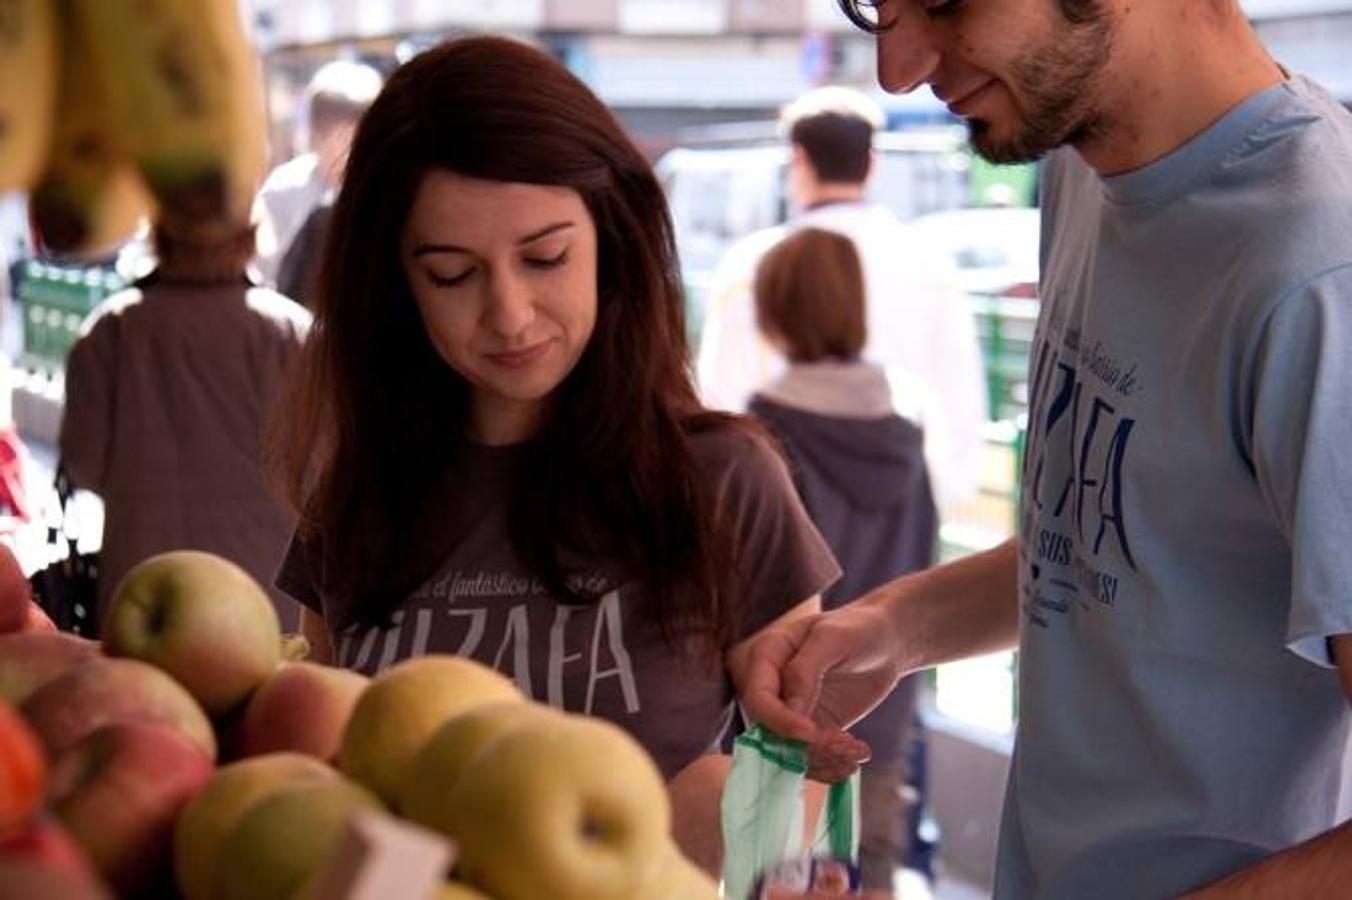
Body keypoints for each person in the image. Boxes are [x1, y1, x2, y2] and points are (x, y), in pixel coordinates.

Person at [740, 1, 1352, 898]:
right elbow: (1139, 542)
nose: (897, 68)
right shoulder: (1080, 160)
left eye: (943, 2)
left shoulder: (1321, 275)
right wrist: (895, 626)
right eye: (878, 9)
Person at [269, 36, 844, 874]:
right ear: (396, 283)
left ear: (612, 240)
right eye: (452, 273)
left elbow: (810, 798)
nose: (509, 314)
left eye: (545, 257)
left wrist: (707, 829)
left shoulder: (722, 479)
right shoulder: (357, 493)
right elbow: (330, 797)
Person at [747, 227, 937, 895]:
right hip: (888, 696)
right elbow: (926, 562)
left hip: (788, 703)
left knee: (782, 873)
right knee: (873, 860)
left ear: (770, 312)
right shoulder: (905, 432)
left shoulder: (762, 434)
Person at [695, 85, 986, 511]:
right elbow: (958, 391)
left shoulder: (753, 265)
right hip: (906, 500)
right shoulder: (928, 264)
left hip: (784, 507)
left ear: (797, 159)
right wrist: (941, 495)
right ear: (872, 164)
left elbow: (721, 396)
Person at [59, 223, 312, 630]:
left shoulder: (112, 329)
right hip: (265, 598)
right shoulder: (292, 332)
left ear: (159, 238)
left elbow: (83, 463)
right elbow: (320, 469)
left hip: (146, 594)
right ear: (250, 237)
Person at [251, 59, 383, 288]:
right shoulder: (284, 190)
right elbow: (265, 273)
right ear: (318, 132)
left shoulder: (388, 187)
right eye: (345, 135)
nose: (357, 147)